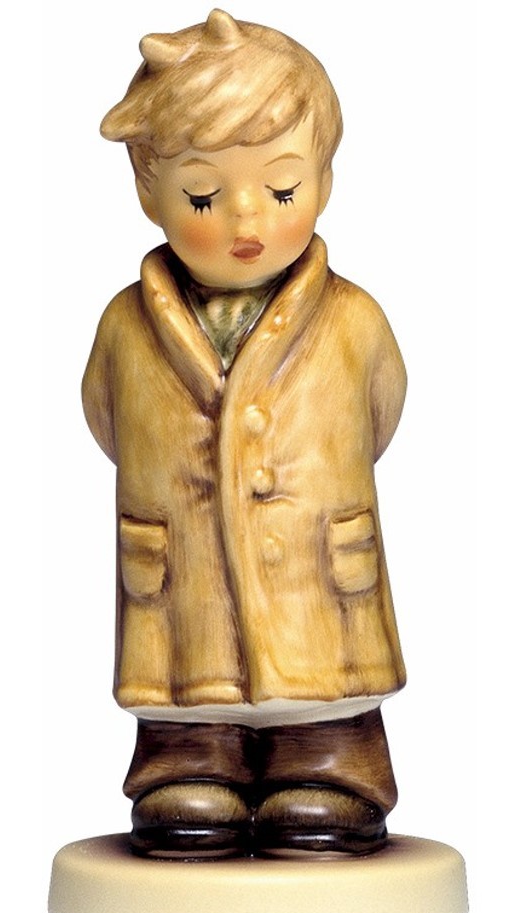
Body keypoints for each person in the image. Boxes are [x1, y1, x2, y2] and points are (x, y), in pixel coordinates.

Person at [83, 9, 408, 858]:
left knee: (325, 688)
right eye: (203, 196)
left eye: (283, 189)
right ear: (147, 188)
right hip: (178, 574)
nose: (246, 219)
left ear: (325, 179)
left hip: (318, 568)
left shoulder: (354, 320)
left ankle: (332, 771)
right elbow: (108, 420)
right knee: (187, 689)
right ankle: (188, 766)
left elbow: (379, 415)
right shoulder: (124, 327)